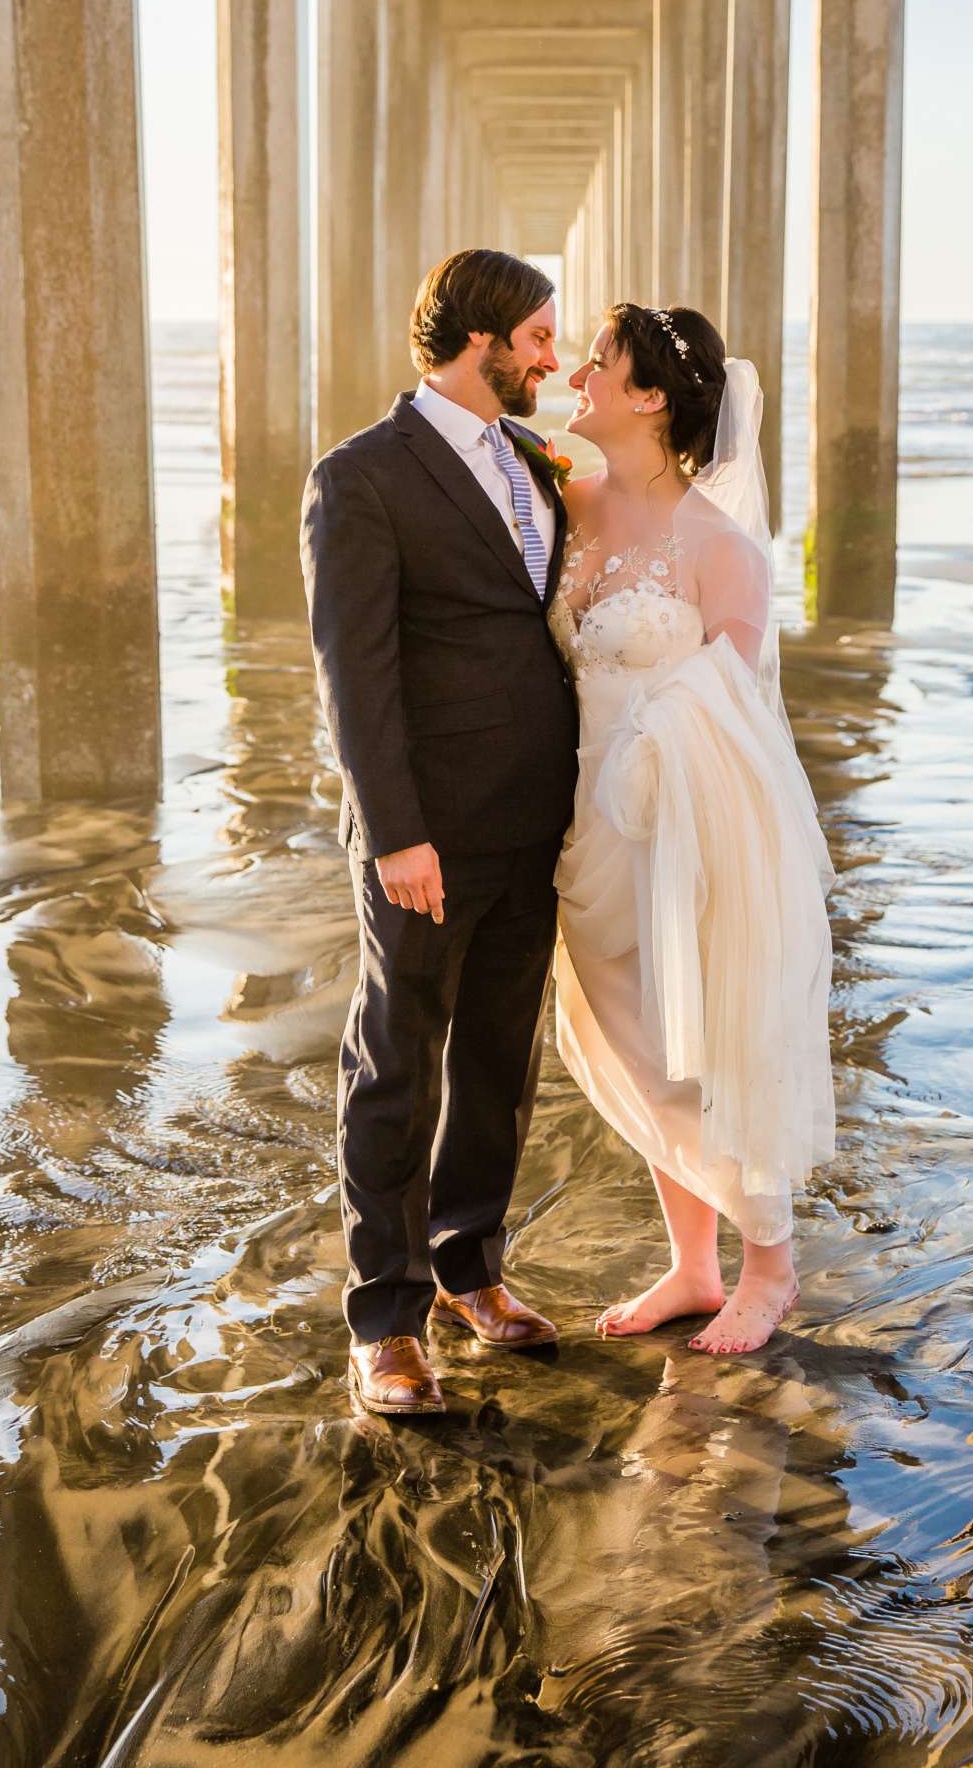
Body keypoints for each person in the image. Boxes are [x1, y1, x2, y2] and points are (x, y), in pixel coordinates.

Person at [300, 249, 580, 1417]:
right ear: (482, 337)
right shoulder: (360, 476)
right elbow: (353, 675)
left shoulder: (531, 461)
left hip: (535, 819)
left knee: (500, 1062)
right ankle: (386, 1319)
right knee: (399, 1064)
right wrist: (395, 834)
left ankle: (471, 1268)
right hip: (426, 835)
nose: (551, 361)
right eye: (537, 340)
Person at [550, 303, 837, 1354]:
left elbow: (744, 708)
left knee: (708, 1034)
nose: (576, 372)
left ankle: (770, 1266)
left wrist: (666, 742)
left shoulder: (718, 546)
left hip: (687, 821)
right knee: (633, 1039)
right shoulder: (568, 506)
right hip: (584, 818)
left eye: (598, 361)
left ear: (651, 398)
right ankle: (693, 1263)